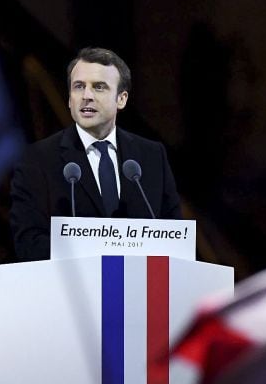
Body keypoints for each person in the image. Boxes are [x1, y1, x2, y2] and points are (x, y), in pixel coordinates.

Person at [10, 47, 182, 261]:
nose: (87, 96)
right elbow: (29, 243)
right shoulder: (37, 160)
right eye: (78, 87)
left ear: (121, 99)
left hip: (143, 289)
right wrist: (98, 252)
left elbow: (177, 240)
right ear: (69, 100)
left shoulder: (152, 156)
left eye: (99, 87)